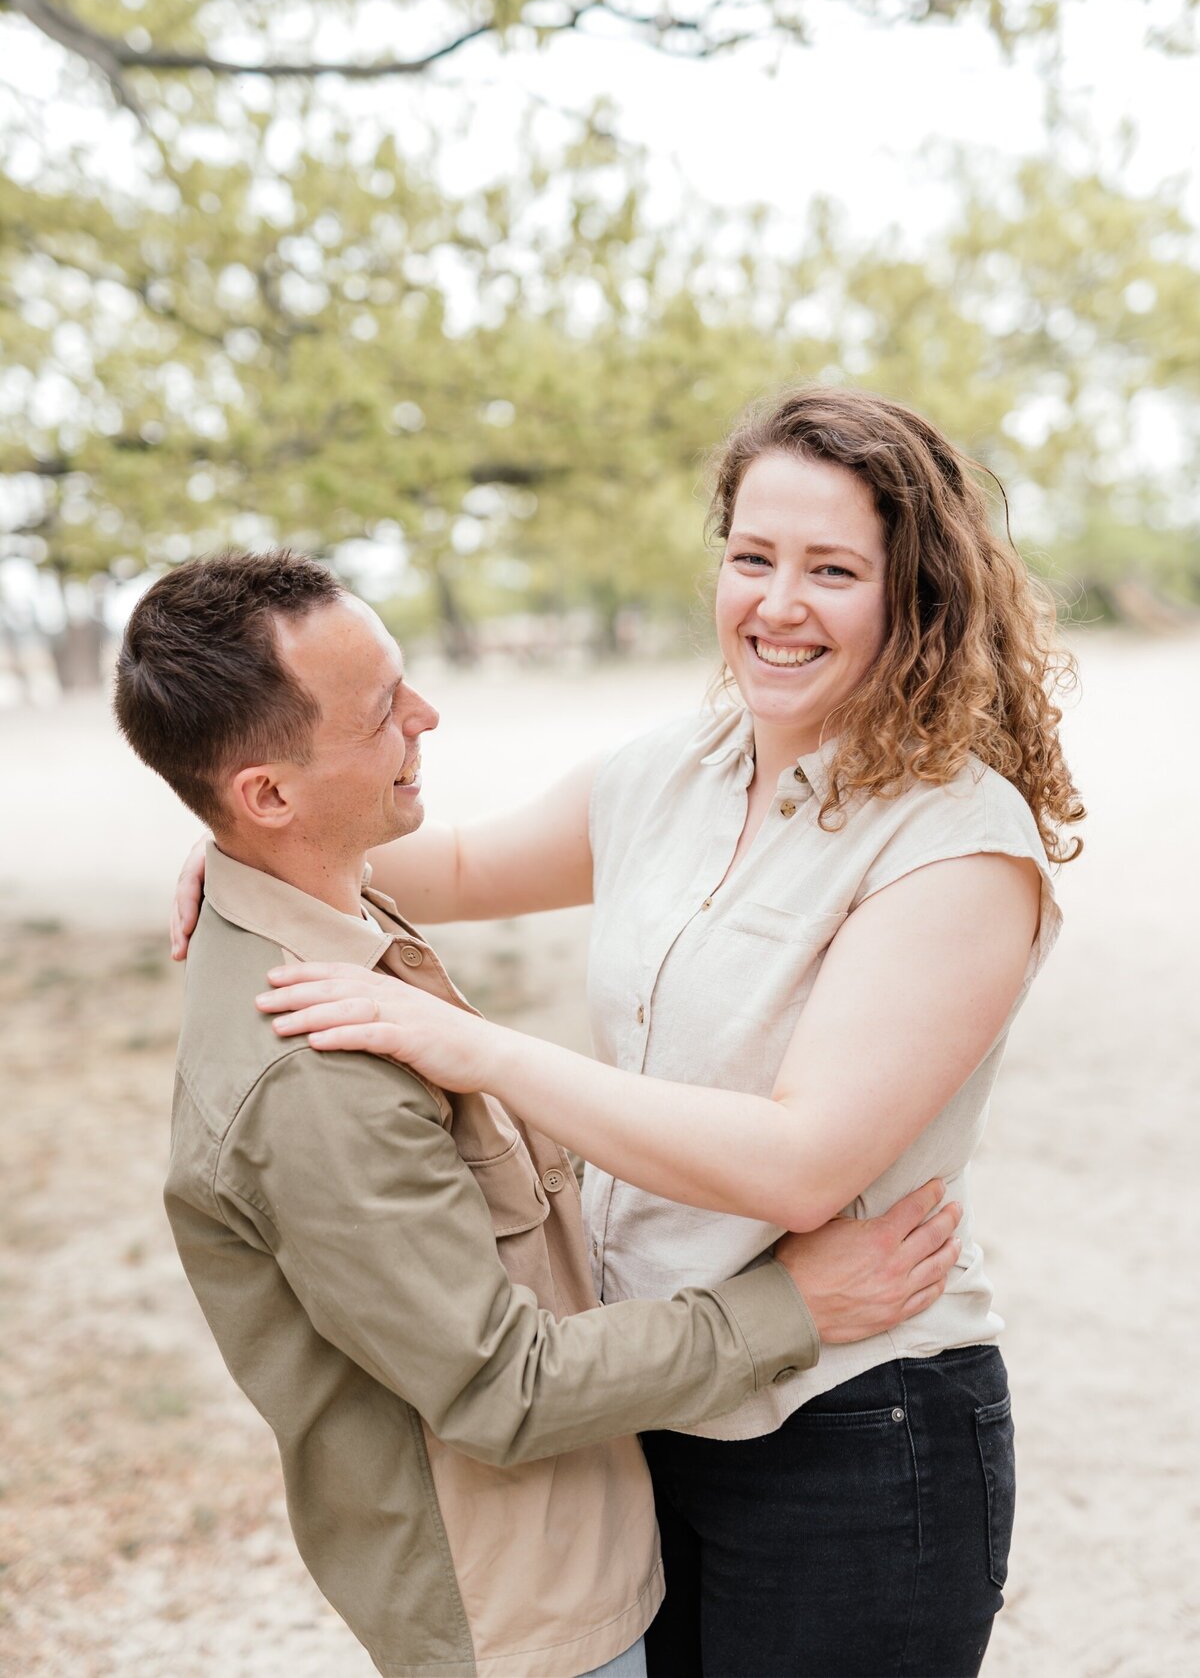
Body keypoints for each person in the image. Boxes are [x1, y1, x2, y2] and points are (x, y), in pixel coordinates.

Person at [237, 387, 1085, 1677]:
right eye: (752, 556)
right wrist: (255, 845)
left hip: (854, 1427)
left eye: (833, 570)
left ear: (918, 596)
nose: (777, 603)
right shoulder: (676, 768)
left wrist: (474, 1048)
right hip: (651, 1398)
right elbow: (447, 864)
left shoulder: (956, 844)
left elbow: (800, 1161)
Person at [120, 549, 962, 1678]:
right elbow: (500, 1386)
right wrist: (793, 1304)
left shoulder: (330, 900)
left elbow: (436, 863)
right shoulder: (311, 1065)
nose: (427, 713)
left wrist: (240, 850)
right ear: (269, 792)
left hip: (599, 1540)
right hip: (527, 1612)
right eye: (383, 714)